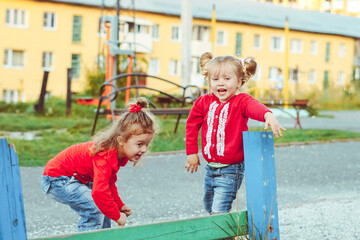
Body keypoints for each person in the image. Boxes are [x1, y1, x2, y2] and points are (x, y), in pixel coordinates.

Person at [185, 52, 286, 214]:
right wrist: (192, 152)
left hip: (231, 170)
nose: (220, 83)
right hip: (210, 169)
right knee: (209, 207)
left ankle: (224, 237)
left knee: (219, 210)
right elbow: (191, 126)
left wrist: (268, 115)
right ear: (209, 81)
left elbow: (255, 107)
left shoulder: (241, 101)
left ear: (238, 81)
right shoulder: (203, 102)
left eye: (227, 78)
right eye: (215, 79)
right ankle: (223, 237)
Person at [41, 97, 158, 232]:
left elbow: (108, 184)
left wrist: (118, 205)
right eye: (139, 144)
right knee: (96, 208)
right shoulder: (105, 156)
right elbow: (99, 192)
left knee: (105, 207)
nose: (144, 149)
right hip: (58, 179)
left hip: (76, 178)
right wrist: (117, 216)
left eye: (146, 144)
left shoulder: (116, 155)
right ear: (121, 141)